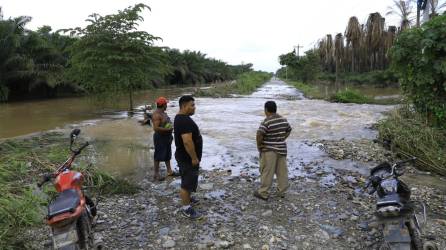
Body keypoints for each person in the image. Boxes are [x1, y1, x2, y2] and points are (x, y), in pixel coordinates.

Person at [254, 101, 292, 201]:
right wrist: (282, 138)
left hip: (269, 150)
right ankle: (282, 192)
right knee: (282, 172)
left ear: (266, 110)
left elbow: (259, 134)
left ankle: (263, 193)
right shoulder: (283, 120)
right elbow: (289, 130)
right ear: (275, 109)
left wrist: (260, 146)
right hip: (282, 149)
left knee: (267, 171)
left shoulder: (266, 121)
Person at [174, 95, 203, 219]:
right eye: (192, 105)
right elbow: (187, 141)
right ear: (184, 106)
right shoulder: (184, 120)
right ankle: (186, 208)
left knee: (188, 179)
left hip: (183, 156)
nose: (194, 108)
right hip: (187, 158)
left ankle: (188, 198)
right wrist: (194, 158)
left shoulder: (180, 118)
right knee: (187, 183)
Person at [151, 97, 177, 181]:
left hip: (166, 137)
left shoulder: (163, 113)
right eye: (166, 104)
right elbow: (156, 128)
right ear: (163, 105)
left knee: (167, 154)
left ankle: (169, 171)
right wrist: (168, 129)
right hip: (160, 138)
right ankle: (156, 174)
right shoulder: (156, 115)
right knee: (158, 155)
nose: (167, 105)